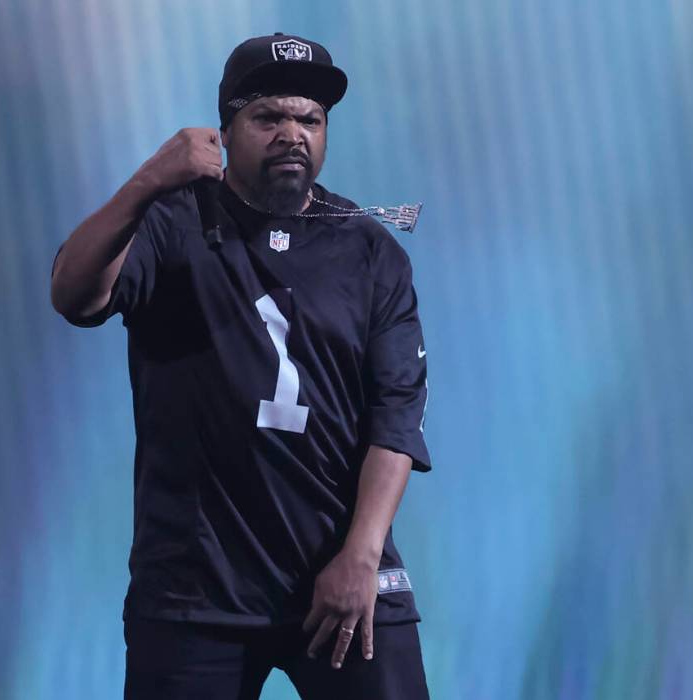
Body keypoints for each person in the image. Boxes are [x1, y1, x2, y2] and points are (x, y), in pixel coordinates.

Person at [51, 33, 432, 700]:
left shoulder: (370, 251)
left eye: (310, 119)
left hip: (338, 569)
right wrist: (148, 181)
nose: (292, 134)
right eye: (268, 117)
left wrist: (362, 555)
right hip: (195, 588)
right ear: (225, 129)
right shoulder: (171, 222)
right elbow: (74, 296)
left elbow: (395, 416)